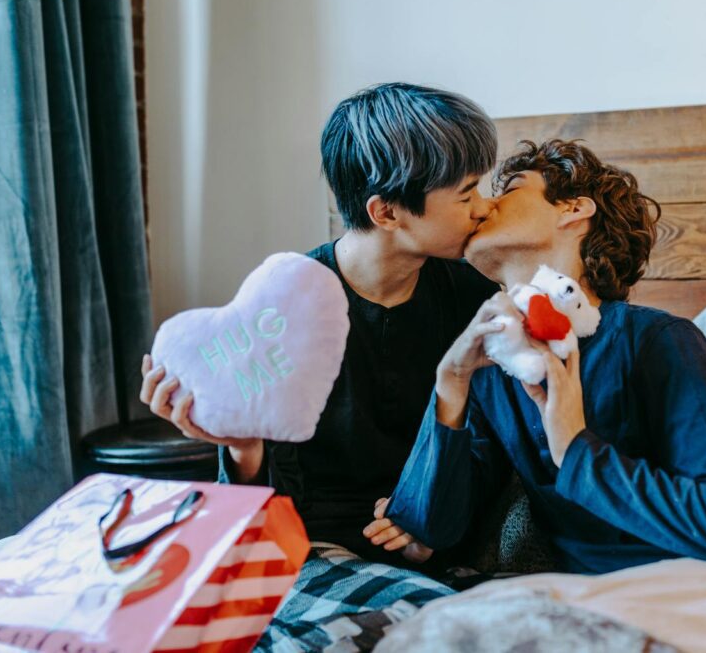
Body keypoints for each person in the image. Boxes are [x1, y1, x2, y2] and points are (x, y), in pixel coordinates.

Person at [139, 83, 500, 649]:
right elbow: (265, 501)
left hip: (432, 548)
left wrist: (429, 519)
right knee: (429, 621)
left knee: (493, 622)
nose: (485, 207)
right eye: (467, 192)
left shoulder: (472, 295)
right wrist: (240, 445)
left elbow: (490, 439)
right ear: (386, 212)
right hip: (313, 546)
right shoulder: (290, 302)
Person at [368, 139, 706, 577]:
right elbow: (430, 532)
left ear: (573, 210)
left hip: (691, 588)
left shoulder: (655, 340)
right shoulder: (491, 372)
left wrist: (575, 450)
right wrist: (450, 381)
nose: (484, 206)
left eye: (509, 189)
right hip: (577, 607)